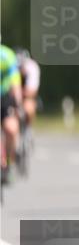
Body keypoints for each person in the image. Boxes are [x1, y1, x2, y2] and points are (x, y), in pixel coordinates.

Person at [0, 44, 22, 185]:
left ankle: (9, 162)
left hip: (4, 99)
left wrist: (18, 105)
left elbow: (15, 82)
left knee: (11, 129)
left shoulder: (7, 55)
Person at [14, 48, 40, 128]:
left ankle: (27, 128)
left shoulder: (32, 67)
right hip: (10, 97)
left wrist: (16, 93)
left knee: (28, 107)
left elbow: (32, 92)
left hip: (25, 97)